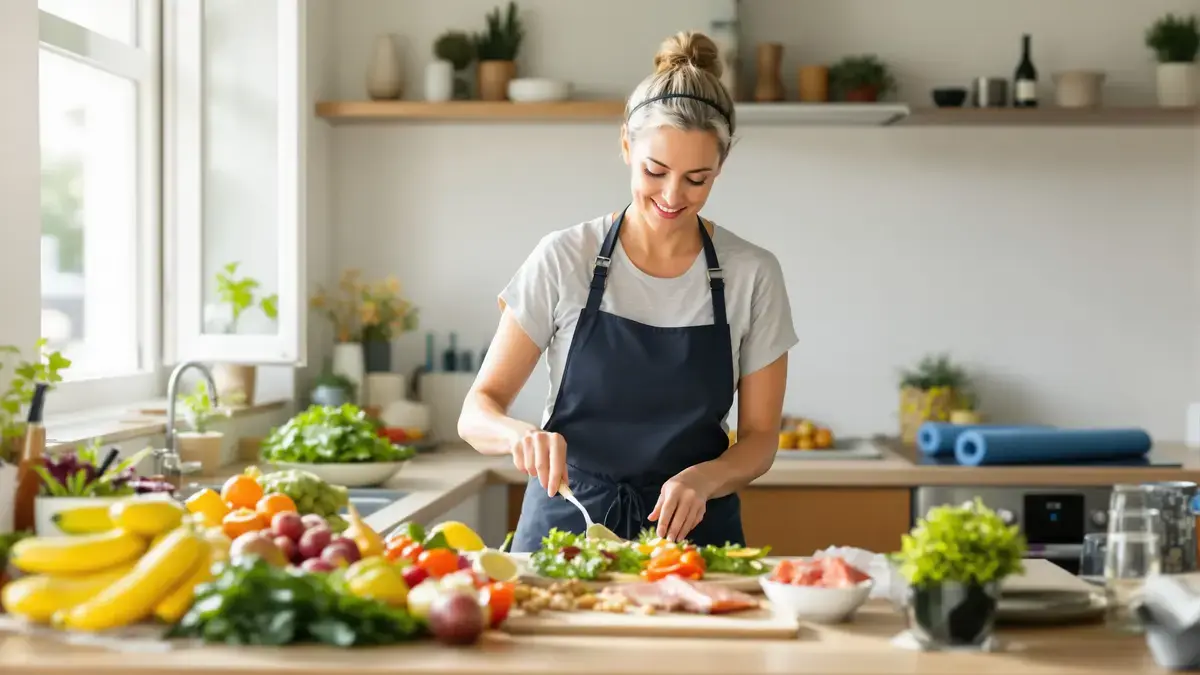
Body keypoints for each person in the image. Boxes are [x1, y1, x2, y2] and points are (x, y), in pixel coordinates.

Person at [457, 31, 797, 553]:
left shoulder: (752, 274)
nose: (671, 196)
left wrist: (703, 479)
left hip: (691, 539)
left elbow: (759, 439)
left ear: (720, 168)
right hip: (565, 527)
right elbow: (478, 410)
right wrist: (518, 437)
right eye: (654, 171)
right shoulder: (564, 257)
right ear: (625, 145)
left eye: (696, 179)